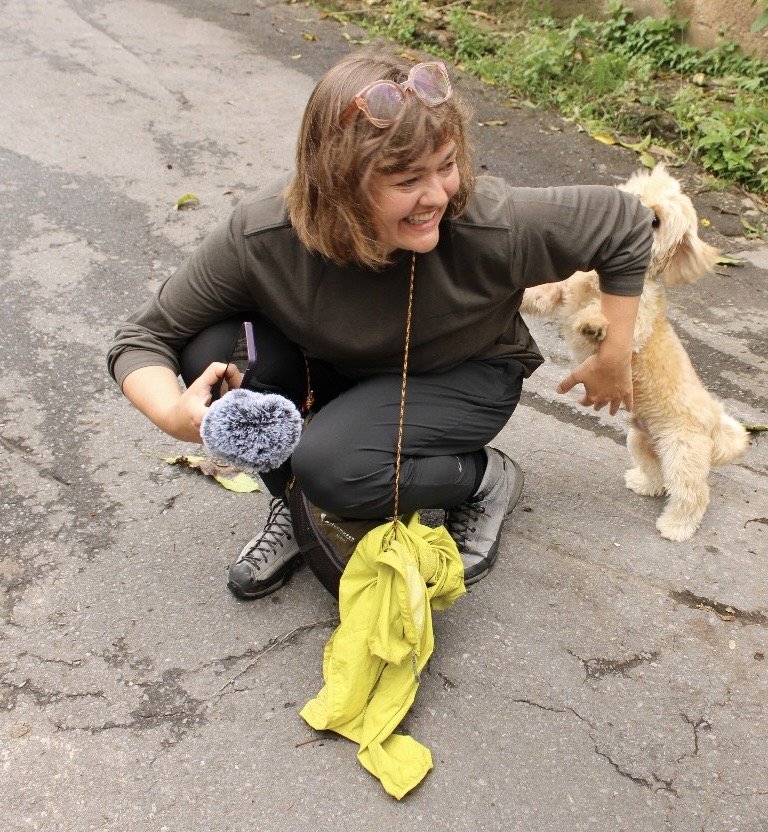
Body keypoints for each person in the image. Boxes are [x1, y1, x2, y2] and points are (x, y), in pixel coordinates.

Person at [107, 49, 652, 600]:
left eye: (446, 165)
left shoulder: (491, 222)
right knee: (212, 350)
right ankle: (297, 501)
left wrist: (613, 355)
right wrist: (174, 414)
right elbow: (145, 338)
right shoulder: (265, 233)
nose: (436, 196)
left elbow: (627, 224)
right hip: (338, 369)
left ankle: (481, 478)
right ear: (336, 180)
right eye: (407, 179)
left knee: (332, 466)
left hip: (461, 374)